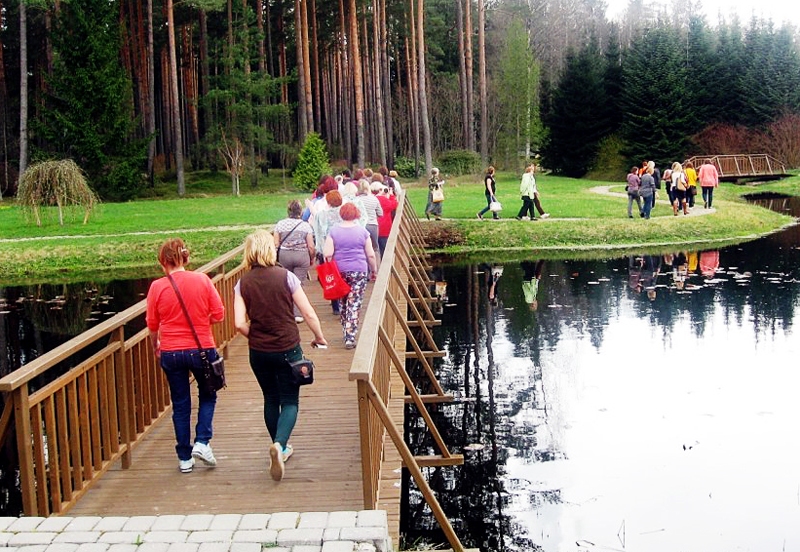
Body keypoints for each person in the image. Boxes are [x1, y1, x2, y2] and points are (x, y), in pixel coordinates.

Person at [233, 230, 328, 481]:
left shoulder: (242, 283)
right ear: (270, 250)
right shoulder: (286, 277)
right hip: (288, 349)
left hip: (259, 352)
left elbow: (238, 323)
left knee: (270, 397)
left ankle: (280, 447)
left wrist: (256, 335)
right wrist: (319, 337)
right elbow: (307, 313)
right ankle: (280, 445)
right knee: (290, 401)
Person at [146, 238, 225, 474]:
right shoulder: (202, 280)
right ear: (186, 258)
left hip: (170, 349)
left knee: (180, 403)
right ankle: (202, 441)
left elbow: (152, 323)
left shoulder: (157, 287)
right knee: (208, 394)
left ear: (163, 261)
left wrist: (155, 345)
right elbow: (219, 314)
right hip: (202, 347)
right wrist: (202, 322)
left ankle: (184, 458)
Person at [324, 202, 378, 349]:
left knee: (343, 301)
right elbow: (371, 255)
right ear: (356, 215)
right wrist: (374, 270)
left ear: (341, 214)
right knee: (354, 303)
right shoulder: (362, 231)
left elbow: (327, 254)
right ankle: (350, 336)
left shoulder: (333, 231)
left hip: (339, 271)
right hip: (359, 270)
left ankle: (346, 331)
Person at [273, 200, 315, 323]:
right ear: (300, 212)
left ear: (288, 211)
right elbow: (311, 246)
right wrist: (311, 258)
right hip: (301, 256)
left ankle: (285, 312)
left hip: (284, 256)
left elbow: (276, 243)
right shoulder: (305, 225)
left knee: (285, 284)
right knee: (298, 285)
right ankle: (296, 314)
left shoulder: (280, 224)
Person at [312, 190, 344, 314]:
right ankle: (342, 301)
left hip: (326, 249)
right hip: (341, 249)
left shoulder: (321, 214)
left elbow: (318, 232)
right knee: (340, 275)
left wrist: (318, 249)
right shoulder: (343, 213)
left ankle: (335, 304)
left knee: (328, 276)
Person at [357, 178, 383, 264]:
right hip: (373, 225)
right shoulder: (374, 199)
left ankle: (366, 267)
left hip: (361, 226)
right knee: (375, 247)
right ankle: (377, 267)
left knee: (362, 248)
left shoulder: (357, 200)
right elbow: (380, 213)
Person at [375, 182, 398, 257]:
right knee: (384, 249)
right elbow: (393, 204)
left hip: (375, 228)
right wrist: (391, 195)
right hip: (384, 229)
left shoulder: (373, 198)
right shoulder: (383, 200)